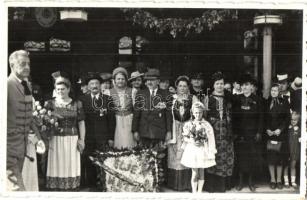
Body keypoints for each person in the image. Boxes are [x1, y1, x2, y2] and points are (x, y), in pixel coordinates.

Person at [7, 50, 43, 191]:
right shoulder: (7, 85)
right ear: (12, 65)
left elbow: (29, 115)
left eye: (28, 64)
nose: (27, 67)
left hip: (21, 148)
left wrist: (38, 139)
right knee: (16, 188)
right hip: (8, 147)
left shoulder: (26, 85)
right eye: (23, 64)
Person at [45, 74, 85, 191]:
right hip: (55, 138)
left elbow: (81, 123)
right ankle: (56, 185)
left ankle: (70, 185)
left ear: (68, 89)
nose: (60, 91)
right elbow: (44, 122)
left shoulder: (77, 103)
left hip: (72, 138)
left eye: (63, 89)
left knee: (70, 162)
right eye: (58, 89)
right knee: (56, 162)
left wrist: (82, 139)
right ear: (55, 90)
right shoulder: (49, 104)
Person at [79, 73, 115, 190]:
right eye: (92, 84)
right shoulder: (82, 100)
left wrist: (111, 138)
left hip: (102, 137)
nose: (94, 86)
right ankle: (91, 185)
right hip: (88, 137)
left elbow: (111, 120)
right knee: (88, 161)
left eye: (96, 83)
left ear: (100, 85)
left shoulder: (107, 99)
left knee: (103, 161)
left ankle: (104, 184)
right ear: (88, 86)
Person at [203, 72, 234, 193]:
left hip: (226, 132)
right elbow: (204, 118)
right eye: (217, 84)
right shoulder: (208, 99)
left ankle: (223, 185)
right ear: (213, 85)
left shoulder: (229, 98)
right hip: (213, 133)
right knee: (213, 156)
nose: (220, 86)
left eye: (222, 83)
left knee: (225, 157)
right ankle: (211, 186)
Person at [232, 74, 264, 192]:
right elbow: (233, 117)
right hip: (240, 134)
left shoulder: (258, 100)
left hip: (253, 134)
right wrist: (234, 132)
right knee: (240, 157)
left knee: (252, 157)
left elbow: (261, 117)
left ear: (252, 87)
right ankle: (240, 182)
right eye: (243, 85)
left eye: (247, 85)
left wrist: (259, 132)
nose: (245, 87)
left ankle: (250, 182)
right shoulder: (237, 99)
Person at [167, 75, 198, 191]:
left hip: (187, 129)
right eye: (180, 86)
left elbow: (198, 114)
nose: (182, 88)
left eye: (185, 86)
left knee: (187, 154)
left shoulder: (192, 98)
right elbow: (167, 115)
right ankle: (175, 184)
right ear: (176, 87)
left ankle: (187, 184)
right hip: (175, 129)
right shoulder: (172, 98)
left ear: (188, 87)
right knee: (175, 156)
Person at [181, 102, 217, 193]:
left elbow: (210, 137)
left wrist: (204, 142)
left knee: (201, 171)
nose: (198, 114)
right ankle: (194, 192)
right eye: (196, 112)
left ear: (202, 113)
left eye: (200, 112)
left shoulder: (206, 124)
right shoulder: (189, 124)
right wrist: (192, 141)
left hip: (202, 150)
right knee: (194, 172)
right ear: (193, 112)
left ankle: (200, 192)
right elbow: (185, 137)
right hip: (193, 150)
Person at [132, 68, 172, 148]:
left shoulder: (166, 94)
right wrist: (135, 130)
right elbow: (136, 114)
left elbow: (168, 115)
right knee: (144, 157)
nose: (149, 82)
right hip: (144, 132)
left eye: (152, 80)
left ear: (158, 81)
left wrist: (169, 131)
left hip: (159, 132)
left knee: (159, 156)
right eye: (148, 80)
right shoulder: (141, 93)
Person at [264, 83, 290, 190]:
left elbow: (287, 118)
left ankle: (279, 180)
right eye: (272, 90)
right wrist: (267, 129)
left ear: (279, 91)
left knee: (279, 159)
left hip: (280, 134)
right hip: (269, 134)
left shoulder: (284, 102)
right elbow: (263, 118)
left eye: (275, 90)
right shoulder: (266, 102)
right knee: (271, 158)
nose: (273, 92)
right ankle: (272, 180)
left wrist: (280, 129)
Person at [107, 67, 135, 149]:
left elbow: (136, 109)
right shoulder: (108, 92)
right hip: (116, 121)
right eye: (118, 79)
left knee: (129, 143)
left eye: (122, 79)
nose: (120, 81)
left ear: (126, 80)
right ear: (114, 80)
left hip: (129, 120)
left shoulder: (132, 91)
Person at [283, 111, 300, 188]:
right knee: (286, 166)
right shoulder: (287, 129)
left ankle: (293, 182)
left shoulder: (299, 130)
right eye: (292, 119)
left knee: (293, 166)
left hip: (295, 151)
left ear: (298, 120)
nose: (293, 121)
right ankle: (286, 182)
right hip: (287, 151)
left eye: (295, 120)